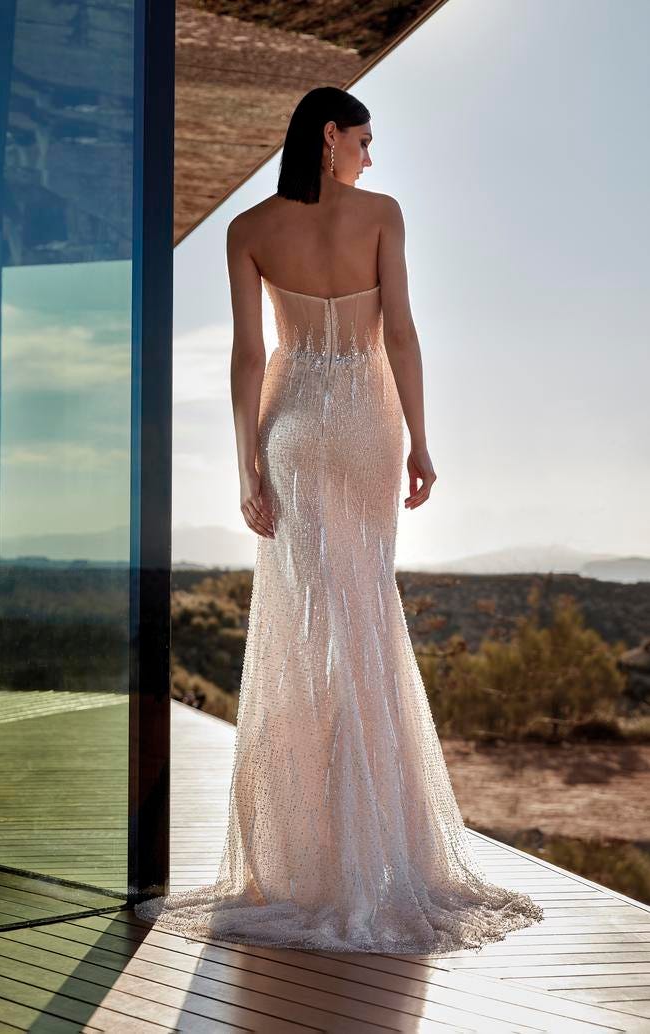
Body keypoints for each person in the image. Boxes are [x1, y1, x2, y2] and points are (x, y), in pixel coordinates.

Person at [135, 86, 544, 952]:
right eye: (363, 137)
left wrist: (248, 460)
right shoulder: (382, 215)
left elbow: (250, 355)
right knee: (364, 613)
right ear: (329, 136)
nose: (370, 154)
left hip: (289, 423)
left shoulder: (247, 230)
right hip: (364, 419)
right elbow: (400, 334)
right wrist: (421, 442)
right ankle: (369, 849)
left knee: (299, 623)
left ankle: (304, 855)